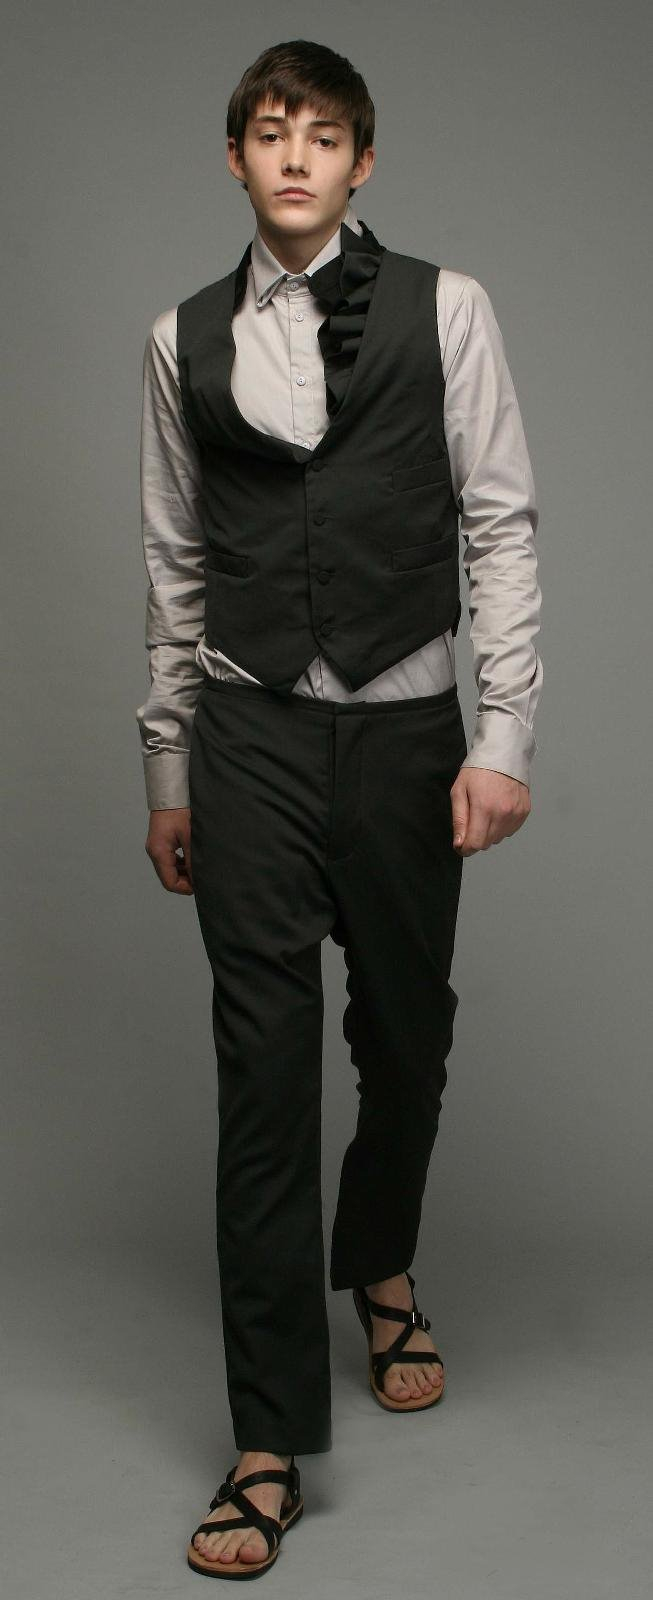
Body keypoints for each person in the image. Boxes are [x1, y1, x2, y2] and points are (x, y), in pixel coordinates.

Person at [136, 37, 543, 1580]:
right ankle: (265, 1443)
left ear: (361, 161)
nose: (294, 154)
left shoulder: (450, 308)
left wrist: (501, 738)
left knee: (405, 1036)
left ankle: (378, 1265)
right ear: (236, 158)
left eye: (321, 134)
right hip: (244, 733)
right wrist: (167, 766)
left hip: (405, 734)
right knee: (260, 1079)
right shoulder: (177, 339)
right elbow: (176, 562)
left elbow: (498, 521)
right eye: (268, 130)